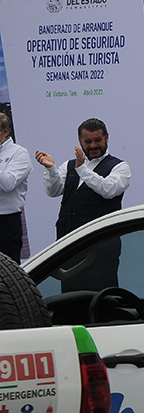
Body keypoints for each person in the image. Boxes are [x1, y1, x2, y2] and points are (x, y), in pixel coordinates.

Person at [36, 118, 130, 290]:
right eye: (88, 141)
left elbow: (108, 190)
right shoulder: (69, 165)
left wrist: (82, 170)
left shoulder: (120, 167)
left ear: (107, 137)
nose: (93, 145)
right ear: (80, 141)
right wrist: (50, 169)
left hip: (101, 246)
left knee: (101, 295)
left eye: (98, 140)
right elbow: (53, 191)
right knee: (70, 296)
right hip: (69, 244)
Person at [0, 113, 30, 262]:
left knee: (7, 271)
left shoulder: (19, 153)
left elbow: (8, 183)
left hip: (6, 222)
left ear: (5, 131)